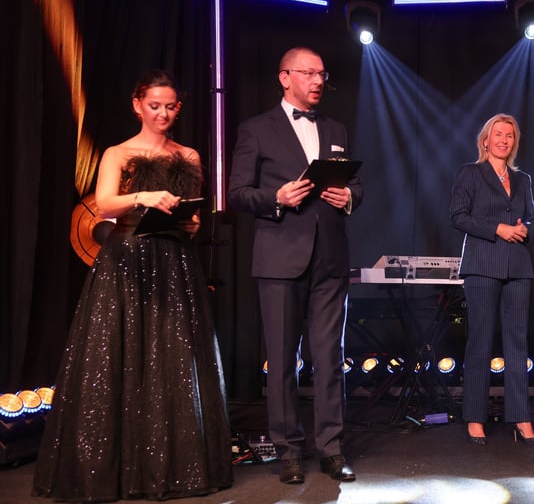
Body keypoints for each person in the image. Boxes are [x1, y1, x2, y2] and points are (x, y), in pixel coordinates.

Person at [32, 70, 233, 501]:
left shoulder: (189, 155)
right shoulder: (118, 153)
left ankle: (172, 467)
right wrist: (143, 197)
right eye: (155, 105)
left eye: (171, 106)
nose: (163, 113)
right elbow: (104, 204)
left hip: (175, 261)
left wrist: (192, 222)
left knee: (173, 361)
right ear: (137, 105)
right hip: (127, 260)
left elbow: (193, 216)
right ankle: (116, 471)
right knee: (118, 357)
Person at [228, 47, 363, 484]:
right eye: (308, 73)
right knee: (283, 361)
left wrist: (350, 196)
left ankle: (331, 449)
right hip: (280, 258)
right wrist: (277, 198)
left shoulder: (336, 128)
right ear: (284, 77)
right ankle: (288, 451)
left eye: (322, 74)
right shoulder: (256, 129)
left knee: (330, 358)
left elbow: (356, 183)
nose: (318, 81)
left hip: (330, 260)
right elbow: (237, 193)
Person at [450, 113, 534, 446]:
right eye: (498, 134)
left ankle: (520, 417)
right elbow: (458, 217)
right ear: (486, 140)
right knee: (480, 341)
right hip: (482, 265)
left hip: (518, 267)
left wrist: (525, 229)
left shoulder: (523, 179)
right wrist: (498, 229)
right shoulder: (470, 173)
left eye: (509, 135)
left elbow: (532, 218)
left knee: (517, 344)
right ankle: (475, 417)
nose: (504, 140)